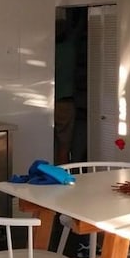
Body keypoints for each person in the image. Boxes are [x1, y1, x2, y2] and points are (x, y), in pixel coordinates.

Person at [54, 17, 78, 165]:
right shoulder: (70, 47)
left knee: (50, 141)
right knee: (65, 143)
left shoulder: (50, 51)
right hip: (65, 102)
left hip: (49, 102)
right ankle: (62, 174)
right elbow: (78, 29)